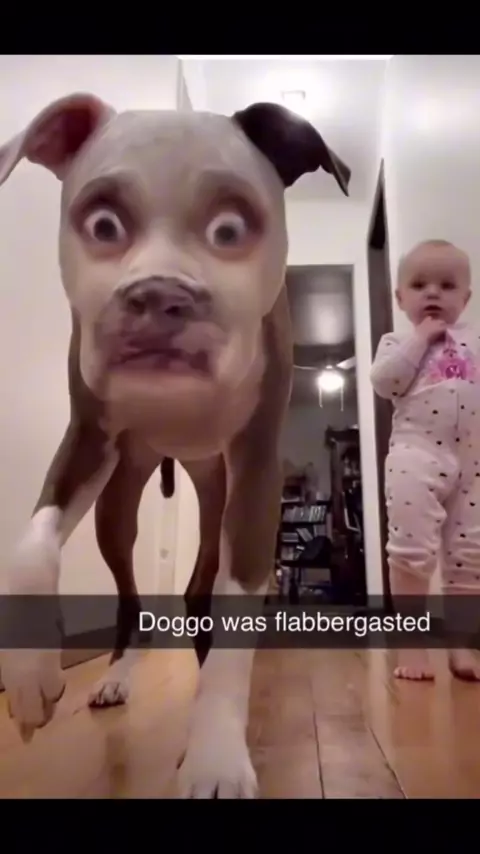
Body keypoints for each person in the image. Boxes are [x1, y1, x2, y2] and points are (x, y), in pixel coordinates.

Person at [370, 239, 480, 681]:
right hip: (415, 456)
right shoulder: (397, 341)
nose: (433, 292)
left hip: (473, 462)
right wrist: (420, 339)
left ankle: (462, 646)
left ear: (465, 298)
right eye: (419, 285)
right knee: (411, 550)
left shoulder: (475, 341)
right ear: (401, 298)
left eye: (447, 285)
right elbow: (385, 382)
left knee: (471, 556)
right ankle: (411, 645)